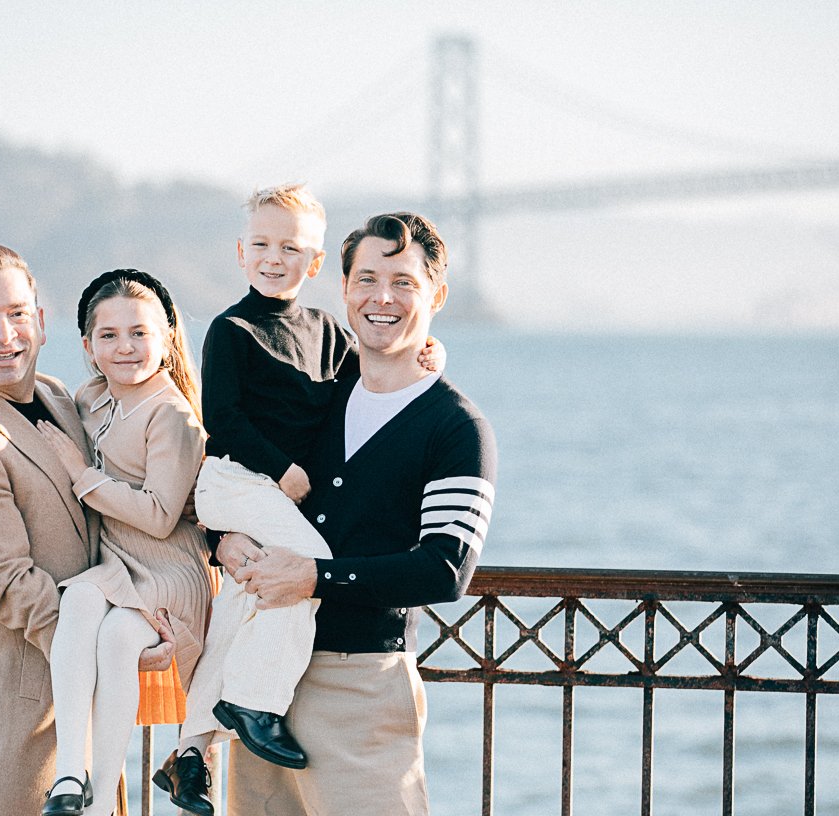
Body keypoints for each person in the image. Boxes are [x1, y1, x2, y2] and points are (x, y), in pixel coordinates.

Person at [152, 185, 443, 816]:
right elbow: (221, 419)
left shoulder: (329, 332)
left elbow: (363, 387)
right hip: (240, 481)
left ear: (314, 265)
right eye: (260, 244)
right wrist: (281, 470)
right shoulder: (230, 330)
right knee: (304, 568)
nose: (272, 256)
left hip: (277, 498)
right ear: (240, 252)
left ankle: (190, 749)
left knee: (247, 602)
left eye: (290, 247)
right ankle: (256, 701)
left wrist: (431, 354)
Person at [216, 212, 498, 815]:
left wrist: (315, 576)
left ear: (437, 295)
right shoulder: (318, 397)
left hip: (362, 687)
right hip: (263, 681)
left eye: (404, 282)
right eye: (366, 279)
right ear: (343, 290)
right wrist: (221, 537)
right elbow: (236, 472)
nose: (382, 298)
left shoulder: (456, 427)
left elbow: (446, 570)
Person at [0, 243, 157, 816]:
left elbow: (158, 425)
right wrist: (119, 645)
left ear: (41, 323)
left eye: (17, 313)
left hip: (86, 719)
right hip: (15, 725)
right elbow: (12, 588)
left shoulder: (58, 397)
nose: (4, 334)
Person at [35, 269, 215, 816]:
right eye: (108, 336)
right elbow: (44, 397)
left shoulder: (171, 415)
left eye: (140, 333)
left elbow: (162, 516)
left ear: (166, 340)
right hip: (117, 563)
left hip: (169, 569)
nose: (125, 347)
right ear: (89, 347)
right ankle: (70, 774)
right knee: (79, 601)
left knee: (116, 639)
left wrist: (79, 473)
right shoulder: (91, 398)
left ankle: (99, 800)